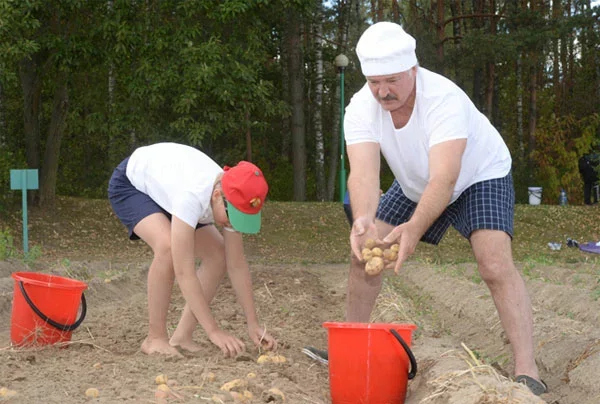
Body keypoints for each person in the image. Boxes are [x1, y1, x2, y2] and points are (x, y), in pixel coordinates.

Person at [305, 22, 547, 396]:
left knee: (494, 264)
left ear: (413, 70)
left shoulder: (443, 99)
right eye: (374, 82)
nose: (383, 91)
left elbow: (445, 179)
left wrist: (414, 229)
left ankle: (527, 369)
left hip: (478, 175)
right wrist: (365, 218)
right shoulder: (360, 108)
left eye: (392, 80)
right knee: (364, 254)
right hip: (415, 183)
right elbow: (365, 175)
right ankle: (349, 349)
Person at [108, 142, 277, 358]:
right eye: (233, 217)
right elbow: (184, 272)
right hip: (133, 186)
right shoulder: (192, 196)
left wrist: (253, 324)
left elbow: (236, 264)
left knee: (218, 255)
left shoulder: (231, 196)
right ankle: (155, 338)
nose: (232, 224)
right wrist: (213, 331)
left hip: (171, 189)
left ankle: (182, 337)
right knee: (168, 248)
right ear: (218, 196)